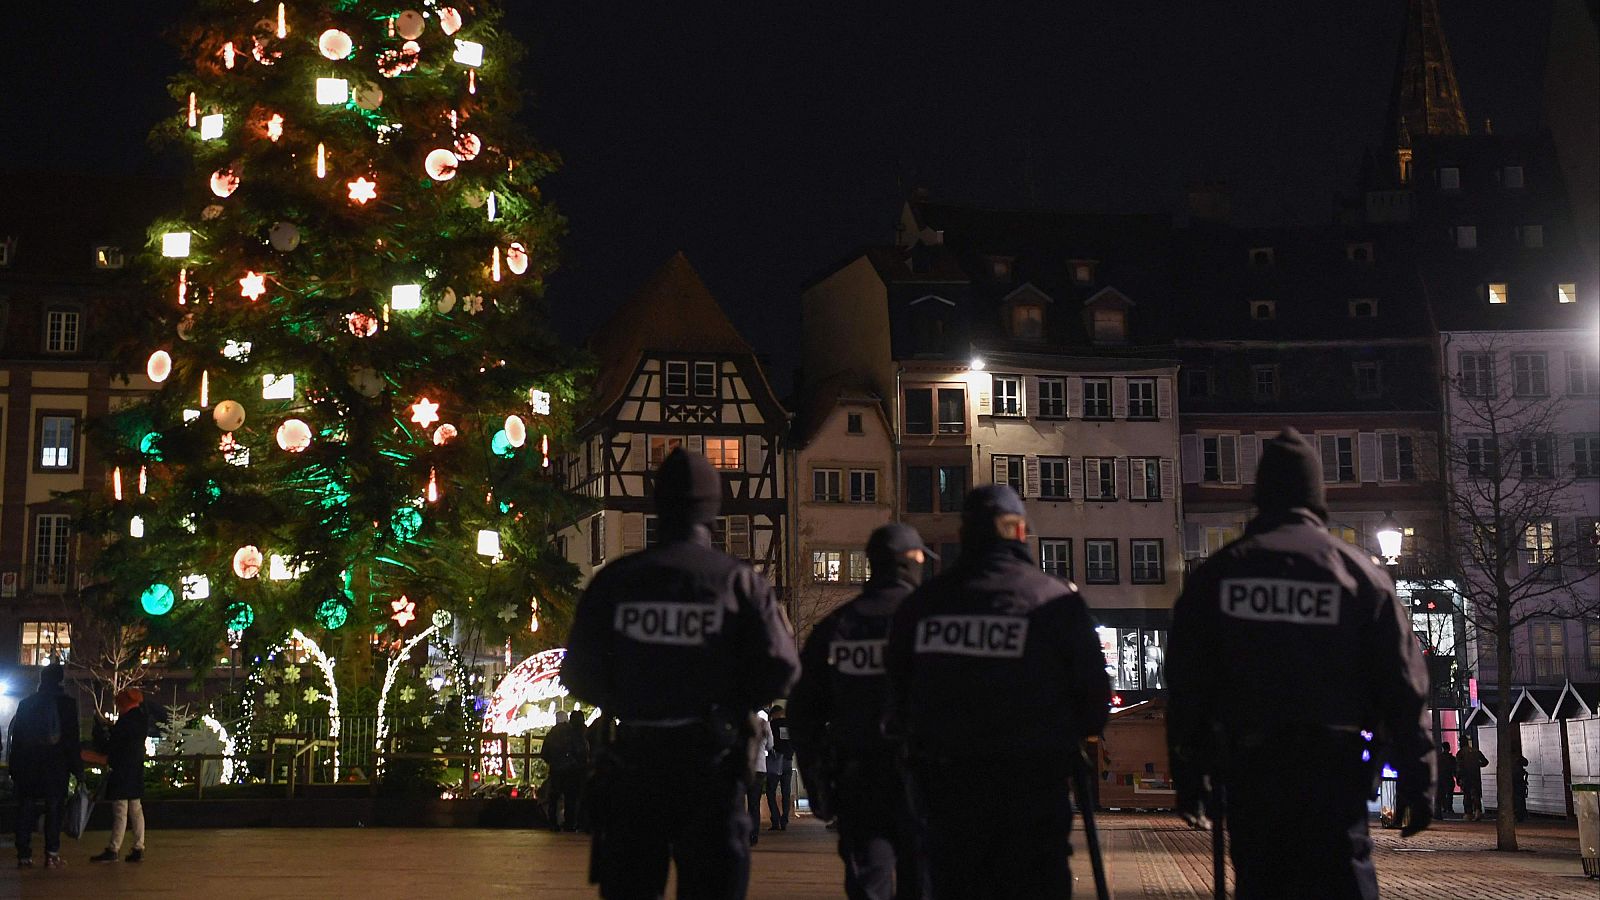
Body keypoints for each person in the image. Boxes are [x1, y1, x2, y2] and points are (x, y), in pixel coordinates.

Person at [1166, 429, 1435, 900]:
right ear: (1317, 496)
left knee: (1262, 881)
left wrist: (1190, 776)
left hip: (1253, 770)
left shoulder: (1219, 575)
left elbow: (1188, 686)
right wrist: (1418, 779)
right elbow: (1402, 687)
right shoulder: (1360, 575)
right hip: (1335, 771)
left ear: (1261, 494)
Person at [562, 448, 800, 900]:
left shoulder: (617, 580)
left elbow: (576, 672)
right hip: (710, 765)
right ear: (713, 509)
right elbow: (783, 667)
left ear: (658, 503)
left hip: (635, 764)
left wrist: (628, 696)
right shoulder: (739, 582)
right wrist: (730, 701)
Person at [885, 485, 1110, 899]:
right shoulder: (1054, 601)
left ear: (965, 535)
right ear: (1021, 534)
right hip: (1033, 795)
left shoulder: (923, 606)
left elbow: (897, 694)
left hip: (948, 796)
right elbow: (1094, 703)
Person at [790, 522, 934, 900]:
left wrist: (818, 784)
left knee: (868, 885)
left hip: (858, 782)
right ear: (913, 562)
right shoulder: (933, 625)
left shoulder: (836, 628)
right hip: (926, 781)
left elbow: (803, 713)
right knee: (924, 883)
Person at [7, 663, 83, 869]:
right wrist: (77, 770)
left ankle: (24, 855)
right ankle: (51, 854)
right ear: (60, 680)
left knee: (25, 809)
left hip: (28, 766)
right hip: (56, 766)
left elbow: (18, 738)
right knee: (55, 809)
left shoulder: (26, 704)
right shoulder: (67, 705)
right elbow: (72, 740)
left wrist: (14, 767)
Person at [91, 688, 150, 863]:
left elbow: (113, 746)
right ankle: (138, 847)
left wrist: (104, 731)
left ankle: (114, 848)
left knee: (120, 810)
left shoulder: (125, 722)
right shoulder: (141, 718)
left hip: (122, 769)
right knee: (135, 809)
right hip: (135, 769)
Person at [541, 711, 587, 832]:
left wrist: (552, 762)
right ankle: (569, 824)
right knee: (570, 798)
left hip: (556, 768)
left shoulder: (554, 732)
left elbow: (544, 752)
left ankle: (553, 823)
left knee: (554, 797)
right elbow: (582, 750)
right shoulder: (576, 733)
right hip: (571, 769)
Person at [745, 708, 773, 844]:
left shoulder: (740, 722)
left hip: (742, 768)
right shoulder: (763, 724)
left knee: (737, 802)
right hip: (759, 767)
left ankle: (738, 834)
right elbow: (770, 745)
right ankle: (753, 835)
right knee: (754, 804)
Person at [765, 706, 793, 831]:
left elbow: (768, 743)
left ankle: (775, 820)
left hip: (775, 761)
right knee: (786, 792)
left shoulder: (771, 725)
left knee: (771, 791)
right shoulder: (790, 725)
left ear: (773, 714)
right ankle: (785, 819)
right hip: (788, 761)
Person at [1456, 738, 1487, 821]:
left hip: (1465, 777)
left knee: (1467, 795)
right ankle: (1478, 811)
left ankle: (1468, 813)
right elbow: (1485, 762)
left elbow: (1459, 766)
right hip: (1476, 776)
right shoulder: (1476, 751)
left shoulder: (1460, 753)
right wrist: (1477, 765)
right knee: (1476, 794)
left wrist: (1458, 778)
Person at [1435, 743, 1457, 820]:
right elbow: (1455, 769)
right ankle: (1449, 808)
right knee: (1450, 794)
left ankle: (1441, 810)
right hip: (1449, 778)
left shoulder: (1438, 758)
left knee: (1441, 795)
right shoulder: (1452, 758)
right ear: (1449, 748)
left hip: (1440, 778)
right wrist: (1457, 777)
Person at [1514, 755, 1530, 822]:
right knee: (1519, 800)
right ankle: (1520, 814)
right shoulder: (1515, 762)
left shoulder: (1517, 761)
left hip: (1518, 783)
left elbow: (1525, 763)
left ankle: (1520, 815)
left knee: (1519, 800)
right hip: (1518, 783)